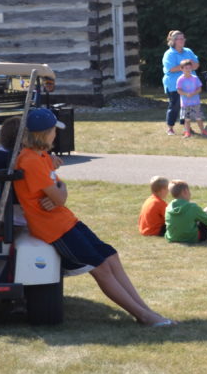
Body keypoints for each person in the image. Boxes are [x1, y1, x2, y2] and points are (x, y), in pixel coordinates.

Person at [13, 108, 174, 326]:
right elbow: (59, 197)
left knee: (110, 256)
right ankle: (144, 317)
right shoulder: (30, 160)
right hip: (53, 228)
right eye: (53, 131)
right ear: (44, 134)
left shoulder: (42, 156)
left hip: (66, 220)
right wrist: (58, 192)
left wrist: (59, 189)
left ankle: (145, 310)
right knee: (100, 268)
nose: (56, 135)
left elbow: (60, 192)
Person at [161, 30, 199, 136]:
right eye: (180, 39)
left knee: (187, 107)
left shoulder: (188, 51)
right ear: (173, 41)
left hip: (190, 84)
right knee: (175, 106)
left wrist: (186, 66)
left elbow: (196, 65)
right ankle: (170, 128)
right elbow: (171, 68)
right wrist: (186, 66)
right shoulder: (169, 54)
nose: (182, 40)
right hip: (174, 84)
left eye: (183, 38)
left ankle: (187, 129)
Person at [164, 179, 207, 244]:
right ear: (185, 191)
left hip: (172, 237)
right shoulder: (192, 207)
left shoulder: (168, 207)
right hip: (191, 238)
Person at [175, 59, 206, 138]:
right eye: (186, 68)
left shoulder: (195, 78)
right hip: (185, 103)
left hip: (196, 102)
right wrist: (185, 94)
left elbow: (199, 89)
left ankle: (203, 131)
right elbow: (179, 90)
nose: (188, 70)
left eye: (189, 68)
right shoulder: (180, 79)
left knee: (199, 118)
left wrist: (193, 93)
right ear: (181, 69)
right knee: (187, 119)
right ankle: (187, 132)